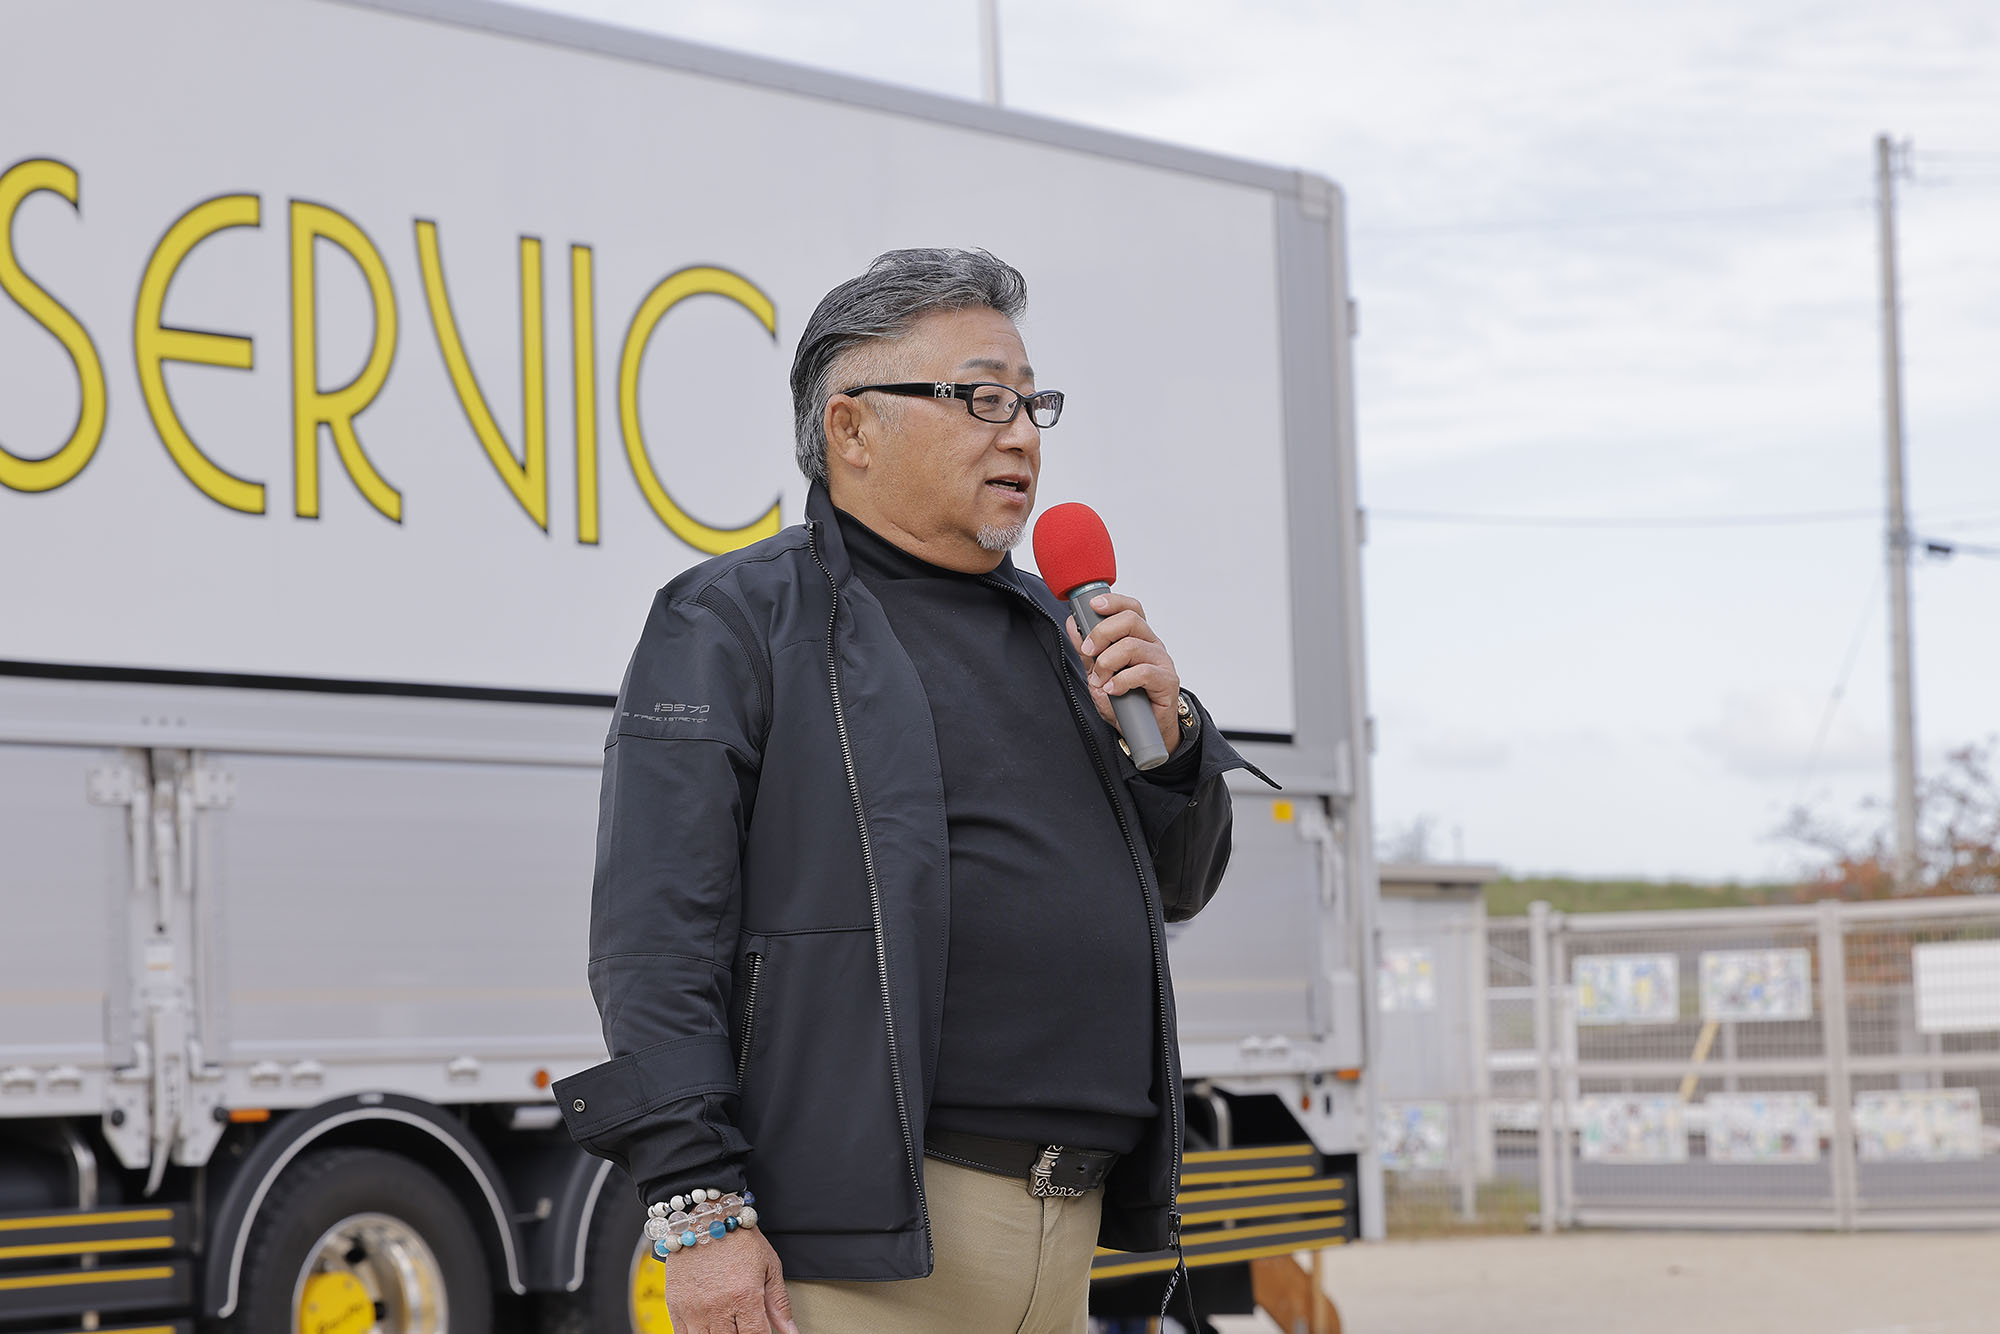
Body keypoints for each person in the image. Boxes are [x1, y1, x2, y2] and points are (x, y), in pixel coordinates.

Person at [556, 248, 1260, 1334]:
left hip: (1067, 1237)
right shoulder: (735, 621)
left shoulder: (1067, 631)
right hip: (855, 1252)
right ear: (852, 428)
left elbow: (1178, 887)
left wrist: (1169, 752)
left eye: (1031, 403)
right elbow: (656, 942)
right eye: (982, 398)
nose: (1020, 434)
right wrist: (700, 1209)